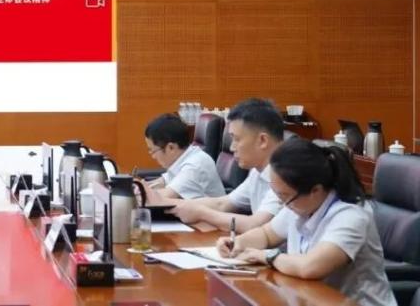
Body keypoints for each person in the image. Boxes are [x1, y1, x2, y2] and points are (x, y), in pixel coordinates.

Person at [217, 138, 394, 306]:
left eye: (285, 196)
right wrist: (238, 242)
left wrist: (267, 256)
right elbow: (266, 234)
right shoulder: (299, 203)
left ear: (315, 190)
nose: (283, 204)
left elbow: (311, 267)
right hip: (308, 298)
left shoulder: (351, 215)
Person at [168, 98, 285, 233]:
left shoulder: (286, 175)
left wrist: (201, 213)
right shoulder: (257, 171)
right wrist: (170, 205)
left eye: (236, 139)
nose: (231, 147)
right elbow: (223, 204)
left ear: (263, 140)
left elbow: (255, 225)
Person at [142, 113, 226, 200]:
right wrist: (143, 186)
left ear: (171, 148)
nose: (153, 156)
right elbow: (164, 180)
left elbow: (162, 198)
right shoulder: (187, 155)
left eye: (153, 151)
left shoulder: (195, 165)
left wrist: (139, 193)